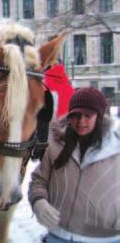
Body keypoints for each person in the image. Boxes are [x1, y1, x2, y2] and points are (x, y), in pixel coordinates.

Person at [29, 87, 120, 243]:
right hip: (58, 235)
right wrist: (38, 201)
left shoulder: (115, 148)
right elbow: (39, 180)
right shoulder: (56, 144)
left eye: (87, 115)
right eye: (76, 115)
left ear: (99, 117)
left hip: (103, 238)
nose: (81, 121)